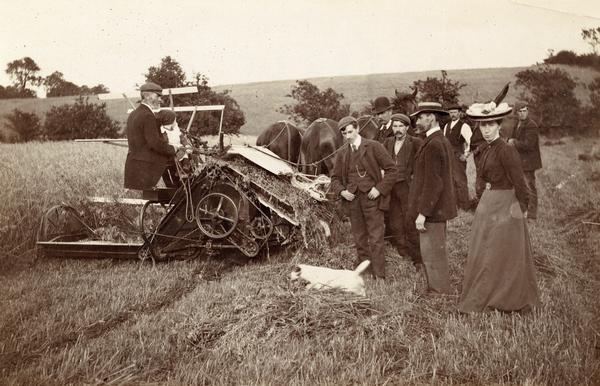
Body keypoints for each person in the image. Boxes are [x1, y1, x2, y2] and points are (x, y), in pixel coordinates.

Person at [458, 101, 540, 312]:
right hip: (489, 202)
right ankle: (487, 291)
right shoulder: (486, 148)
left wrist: (522, 207)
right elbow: (482, 176)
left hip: (506, 204)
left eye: (490, 125)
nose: (486, 129)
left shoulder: (506, 149)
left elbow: (520, 182)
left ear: (499, 125)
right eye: (482, 126)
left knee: (503, 252)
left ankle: (506, 297)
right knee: (485, 250)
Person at [330, 116, 398, 279]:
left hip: (372, 199)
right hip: (353, 201)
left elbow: (392, 170)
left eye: (350, 132)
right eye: (344, 134)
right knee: (359, 237)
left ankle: (379, 274)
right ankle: (365, 270)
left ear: (358, 129)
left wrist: (379, 189)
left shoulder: (374, 146)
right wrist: (342, 192)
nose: (348, 136)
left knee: (375, 236)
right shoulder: (342, 153)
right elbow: (335, 178)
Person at [408, 102, 457, 294]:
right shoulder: (438, 140)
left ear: (431, 117)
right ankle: (436, 289)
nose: (418, 121)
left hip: (433, 211)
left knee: (432, 253)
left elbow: (434, 183)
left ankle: (439, 293)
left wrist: (423, 213)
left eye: (420, 117)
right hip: (437, 209)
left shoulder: (434, 144)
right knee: (434, 251)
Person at [382, 113, 423, 267]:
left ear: (407, 128)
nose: (397, 129)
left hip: (407, 187)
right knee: (395, 221)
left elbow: (421, 164)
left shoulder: (415, 142)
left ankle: (417, 257)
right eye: (395, 126)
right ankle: (403, 250)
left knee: (410, 220)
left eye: (400, 126)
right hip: (391, 188)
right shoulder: (387, 142)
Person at [124, 82, 177, 190]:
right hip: (147, 164)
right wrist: (173, 148)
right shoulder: (148, 115)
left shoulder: (134, 114)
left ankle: (177, 193)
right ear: (147, 96)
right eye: (158, 96)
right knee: (177, 159)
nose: (160, 100)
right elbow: (154, 143)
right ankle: (180, 193)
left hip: (134, 163)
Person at [507, 102, 542, 220]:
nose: (522, 113)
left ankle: (532, 215)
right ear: (516, 113)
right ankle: (522, 211)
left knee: (529, 187)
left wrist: (513, 142)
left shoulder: (531, 125)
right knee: (520, 187)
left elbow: (529, 145)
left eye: (525, 111)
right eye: (520, 111)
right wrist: (509, 140)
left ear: (527, 111)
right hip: (519, 161)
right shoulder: (517, 123)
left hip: (529, 162)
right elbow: (511, 137)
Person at [442, 104, 472, 211]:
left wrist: (466, 154)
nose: (453, 114)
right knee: (450, 181)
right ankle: (454, 204)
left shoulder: (464, 126)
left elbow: (470, 141)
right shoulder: (446, 126)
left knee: (460, 181)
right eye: (451, 112)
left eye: (455, 112)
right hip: (448, 156)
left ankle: (464, 206)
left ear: (459, 113)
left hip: (458, 157)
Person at [155, 109, 192, 186]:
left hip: (180, 148)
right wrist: (175, 148)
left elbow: (182, 138)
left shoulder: (176, 130)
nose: (176, 122)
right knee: (181, 155)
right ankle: (181, 171)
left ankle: (186, 166)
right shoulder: (163, 133)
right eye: (174, 120)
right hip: (172, 152)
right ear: (169, 122)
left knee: (187, 153)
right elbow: (164, 145)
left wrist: (186, 145)